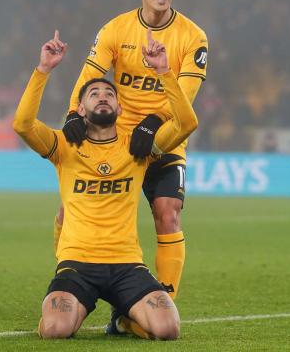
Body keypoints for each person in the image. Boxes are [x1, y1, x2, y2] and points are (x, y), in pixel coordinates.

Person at [13, 30, 197, 340]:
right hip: (78, 264)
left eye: (109, 94)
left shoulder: (139, 149)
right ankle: (72, 308)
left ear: (120, 109)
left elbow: (186, 124)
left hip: (126, 265)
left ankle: (123, 318)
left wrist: (165, 72)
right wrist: (43, 70)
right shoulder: (63, 146)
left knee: (168, 329)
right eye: (94, 93)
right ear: (80, 109)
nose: (102, 96)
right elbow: (23, 125)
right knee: (56, 329)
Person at [59, 0, 208, 302]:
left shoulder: (193, 37)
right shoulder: (116, 29)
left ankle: (165, 300)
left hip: (165, 134)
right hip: (117, 138)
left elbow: (184, 99)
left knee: (168, 212)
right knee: (69, 210)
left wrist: (154, 122)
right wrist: (72, 115)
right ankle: (67, 277)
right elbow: (89, 77)